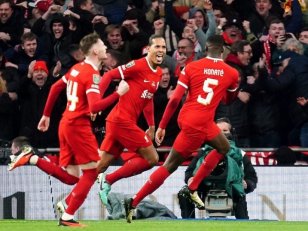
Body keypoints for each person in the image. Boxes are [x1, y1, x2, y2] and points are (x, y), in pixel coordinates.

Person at [8, 33, 129, 227]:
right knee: (91, 174)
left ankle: (32, 157)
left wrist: (46, 115)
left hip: (66, 123)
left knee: (73, 177)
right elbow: (95, 107)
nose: (106, 47)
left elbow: (55, 87)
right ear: (95, 51)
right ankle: (67, 216)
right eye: (102, 45)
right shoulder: (92, 74)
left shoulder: (76, 68)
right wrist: (118, 93)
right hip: (78, 127)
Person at [123, 34, 239, 223]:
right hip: (198, 124)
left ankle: (192, 186)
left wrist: (162, 126)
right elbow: (229, 99)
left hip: (192, 118)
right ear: (223, 49)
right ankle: (134, 202)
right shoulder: (231, 73)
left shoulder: (191, 67)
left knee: (224, 147)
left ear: (205, 47)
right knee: (170, 165)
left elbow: (176, 98)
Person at [96, 34, 167, 206]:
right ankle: (109, 180)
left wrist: (151, 125)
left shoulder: (157, 73)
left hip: (118, 122)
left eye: (164, 47)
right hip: (121, 121)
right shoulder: (137, 65)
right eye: (157, 46)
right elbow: (109, 75)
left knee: (99, 166)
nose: (161, 50)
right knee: (152, 158)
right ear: (148, 49)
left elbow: (147, 98)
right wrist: (96, 102)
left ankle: (68, 202)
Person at [178, 117, 258, 219]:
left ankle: (243, 225)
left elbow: (252, 178)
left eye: (225, 131)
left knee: (240, 194)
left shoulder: (240, 154)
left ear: (231, 132)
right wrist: (189, 179)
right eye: (218, 131)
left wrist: (247, 184)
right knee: (184, 194)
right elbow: (189, 172)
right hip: (204, 191)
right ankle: (188, 225)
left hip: (232, 191)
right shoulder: (203, 152)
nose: (222, 134)